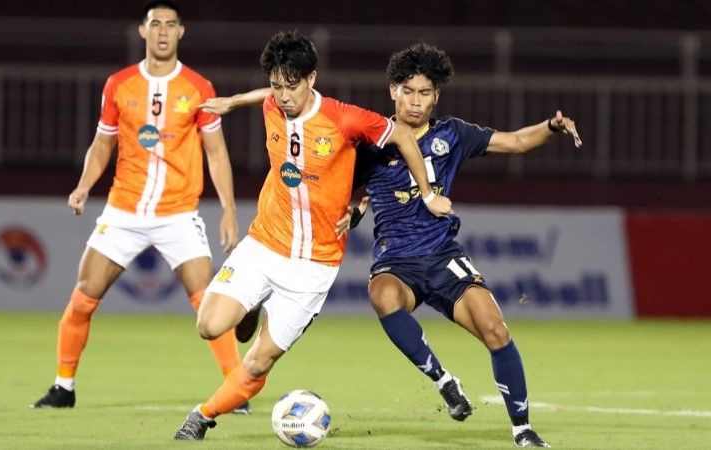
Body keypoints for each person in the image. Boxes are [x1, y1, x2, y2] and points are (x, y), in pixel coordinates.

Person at [173, 30, 452, 441]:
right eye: (276, 86)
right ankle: (250, 306)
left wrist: (427, 193)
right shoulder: (273, 103)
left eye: (291, 86)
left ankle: (201, 416)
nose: (282, 96)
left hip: (313, 267)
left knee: (258, 363)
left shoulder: (345, 118)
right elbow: (264, 97)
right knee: (209, 326)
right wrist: (233, 101)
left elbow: (403, 137)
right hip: (264, 244)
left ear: (311, 79)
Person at [339, 43, 581, 447]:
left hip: (444, 258)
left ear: (437, 96)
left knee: (496, 330)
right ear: (392, 91)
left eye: (425, 93)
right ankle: (443, 380)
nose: (415, 101)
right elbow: (347, 189)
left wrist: (550, 128)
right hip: (397, 263)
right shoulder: (372, 142)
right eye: (408, 91)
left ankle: (522, 429)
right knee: (381, 296)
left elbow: (516, 142)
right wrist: (355, 209)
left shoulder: (452, 135)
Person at [30, 0, 249, 414]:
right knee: (83, 298)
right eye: (155, 24)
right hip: (124, 211)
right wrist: (82, 186)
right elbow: (102, 144)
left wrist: (229, 210)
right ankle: (63, 387)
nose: (163, 32)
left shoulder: (200, 88)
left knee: (209, 302)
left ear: (181, 32)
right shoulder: (119, 84)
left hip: (179, 213)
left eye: (170, 25)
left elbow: (216, 153)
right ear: (142, 31)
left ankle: (234, 390)